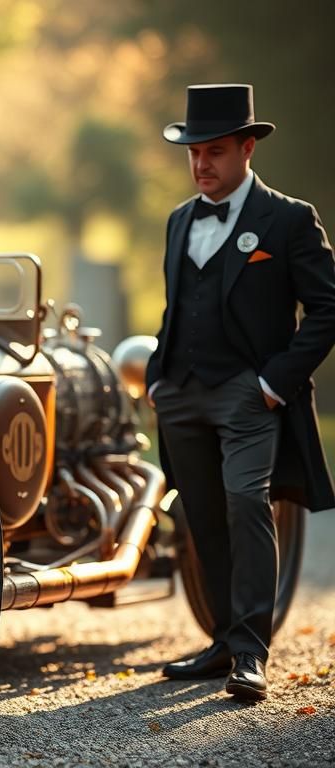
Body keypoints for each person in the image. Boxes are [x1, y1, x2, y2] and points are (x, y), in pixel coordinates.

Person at [145, 83, 335, 701]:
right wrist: (156, 375)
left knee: (245, 504)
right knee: (200, 517)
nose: (202, 164)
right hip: (181, 394)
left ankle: (251, 651)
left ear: (248, 148)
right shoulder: (178, 220)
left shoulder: (288, 219)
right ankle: (224, 640)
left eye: (216, 152)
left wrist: (275, 383)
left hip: (249, 394)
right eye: (194, 153)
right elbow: (179, 308)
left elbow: (328, 309)